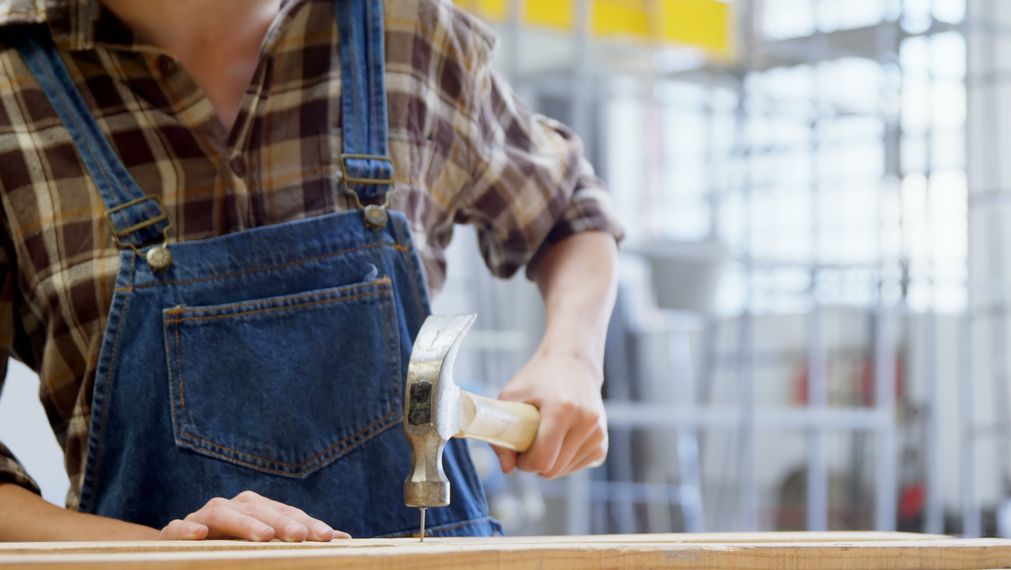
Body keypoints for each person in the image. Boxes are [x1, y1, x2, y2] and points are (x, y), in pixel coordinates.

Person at [0, 0, 621, 541]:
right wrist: (165, 553)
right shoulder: (11, 95)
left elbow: (568, 210)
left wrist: (572, 356)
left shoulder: (408, 34)